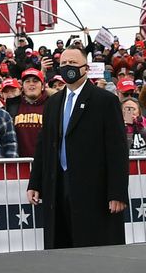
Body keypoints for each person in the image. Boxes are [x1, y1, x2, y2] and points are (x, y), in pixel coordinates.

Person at [26, 44, 129, 248]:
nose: (67, 67)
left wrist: (117, 192)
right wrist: (35, 182)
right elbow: (44, 145)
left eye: (72, 63)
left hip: (94, 190)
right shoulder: (53, 103)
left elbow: (117, 149)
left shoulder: (105, 101)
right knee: (62, 244)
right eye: (63, 63)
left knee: (94, 245)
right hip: (58, 185)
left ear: (85, 68)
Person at [6, 68, 48, 159]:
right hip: (19, 165)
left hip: (46, 164)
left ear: (43, 86)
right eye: (27, 81)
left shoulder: (52, 104)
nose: (31, 84)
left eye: (35, 81)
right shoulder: (12, 106)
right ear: (22, 86)